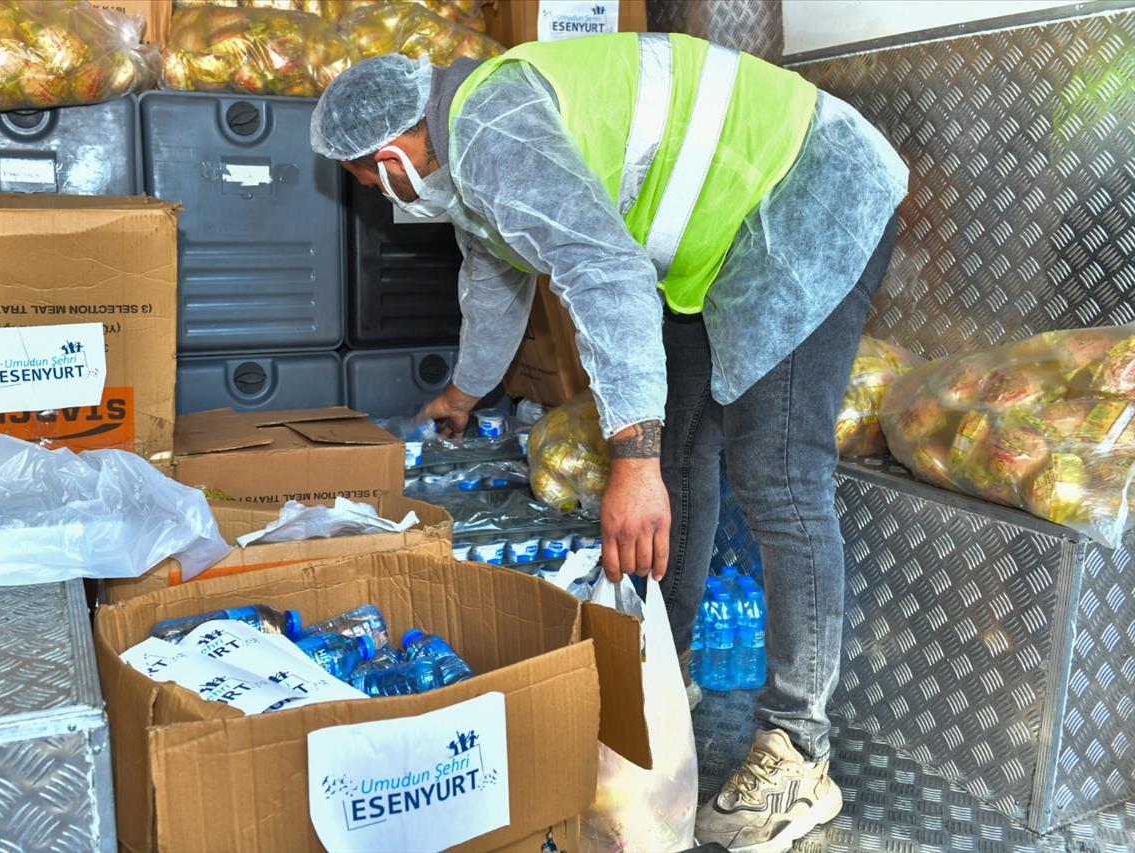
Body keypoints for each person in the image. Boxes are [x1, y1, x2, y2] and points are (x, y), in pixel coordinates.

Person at [312, 34, 907, 853]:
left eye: (373, 181)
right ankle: (671, 668)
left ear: (388, 154)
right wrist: (459, 396)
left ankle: (799, 751)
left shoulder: (488, 131)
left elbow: (606, 273)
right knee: (685, 449)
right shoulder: (471, 156)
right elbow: (495, 278)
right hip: (722, 239)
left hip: (806, 192)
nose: (387, 197)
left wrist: (630, 457)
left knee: (776, 470)